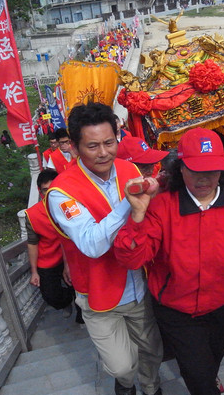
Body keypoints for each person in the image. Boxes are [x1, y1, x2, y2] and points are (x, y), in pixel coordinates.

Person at [113, 128, 224, 395]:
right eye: (195, 170)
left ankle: (210, 376)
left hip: (223, 304)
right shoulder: (162, 207)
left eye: (212, 170)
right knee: (198, 376)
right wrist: (138, 215)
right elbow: (132, 258)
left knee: (214, 355)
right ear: (180, 169)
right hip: (177, 310)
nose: (204, 178)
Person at [46, 103, 163, 395]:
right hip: (99, 294)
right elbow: (92, 244)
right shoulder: (61, 193)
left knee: (152, 351)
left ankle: (152, 389)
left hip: (138, 285)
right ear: (75, 147)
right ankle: (125, 386)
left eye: (109, 143)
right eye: (92, 146)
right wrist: (129, 201)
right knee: (122, 366)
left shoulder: (128, 169)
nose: (103, 153)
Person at [26, 169, 83, 323]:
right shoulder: (32, 214)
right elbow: (32, 243)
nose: (50, 195)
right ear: (39, 191)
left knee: (77, 285)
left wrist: (67, 264)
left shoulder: (70, 206)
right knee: (51, 296)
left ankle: (81, 315)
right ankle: (65, 302)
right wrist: (34, 271)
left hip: (71, 255)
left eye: (53, 189)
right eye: (46, 191)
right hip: (48, 259)